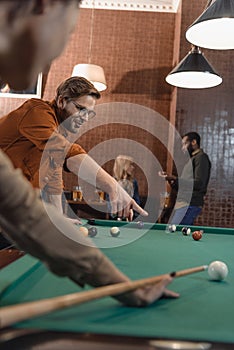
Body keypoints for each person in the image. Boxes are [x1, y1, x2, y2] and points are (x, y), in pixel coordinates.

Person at [0, 0, 179, 306]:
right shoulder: (36, 110)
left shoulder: (52, 138)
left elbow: (29, 198)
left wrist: (123, 289)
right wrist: (111, 184)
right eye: (69, 32)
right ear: (43, 8)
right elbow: (59, 152)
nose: (56, 52)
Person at [159, 132, 211, 225]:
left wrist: (175, 179)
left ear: (194, 142)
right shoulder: (192, 159)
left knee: (173, 232)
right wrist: (172, 181)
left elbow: (199, 183)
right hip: (184, 204)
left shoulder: (201, 158)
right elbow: (186, 185)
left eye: (184, 144)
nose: (183, 148)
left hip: (190, 204)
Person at [108, 155, 141, 220]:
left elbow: (137, 202)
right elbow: (110, 205)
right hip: (115, 219)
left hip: (131, 218)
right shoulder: (111, 182)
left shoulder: (134, 182)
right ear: (123, 166)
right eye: (130, 165)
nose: (133, 167)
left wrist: (131, 211)